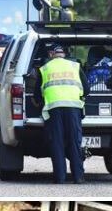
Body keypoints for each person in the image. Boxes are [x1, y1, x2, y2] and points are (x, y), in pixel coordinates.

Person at [34, 44, 89, 184]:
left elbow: (37, 95)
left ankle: (60, 178)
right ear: (64, 53)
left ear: (51, 54)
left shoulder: (44, 69)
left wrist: (41, 103)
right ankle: (78, 177)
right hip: (73, 108)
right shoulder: (75, 66)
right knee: (74, 142)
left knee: (57, 143)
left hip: (54, 109)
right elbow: (87, 89)